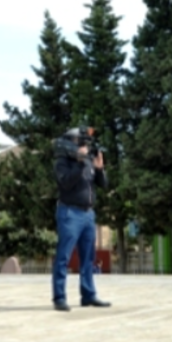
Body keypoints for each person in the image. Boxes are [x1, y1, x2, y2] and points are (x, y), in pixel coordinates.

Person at [51, 127, 111, 312]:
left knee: (88, 258)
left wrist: (100, 169)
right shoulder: (63, 162)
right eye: (81, 142)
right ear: (71, 142)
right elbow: (66, 182)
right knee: (64, 256)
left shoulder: (87, 161)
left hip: (88, 214)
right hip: (70, 213)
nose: (84, 146)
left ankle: (88, 295)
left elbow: (103, 185)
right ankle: (59, 297)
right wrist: (78, 163)